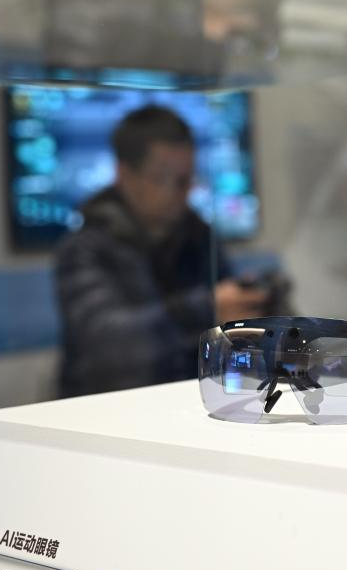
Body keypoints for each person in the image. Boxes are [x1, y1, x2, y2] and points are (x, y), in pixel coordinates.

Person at [55, 106, 269, 397]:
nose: (181, 191)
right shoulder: (84, 248)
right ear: (124, 175)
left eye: (186, 179)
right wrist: (207, 309)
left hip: (189, 405)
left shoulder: (198, 237)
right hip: (112, 410)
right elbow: (108, 344)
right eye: (164, 178)